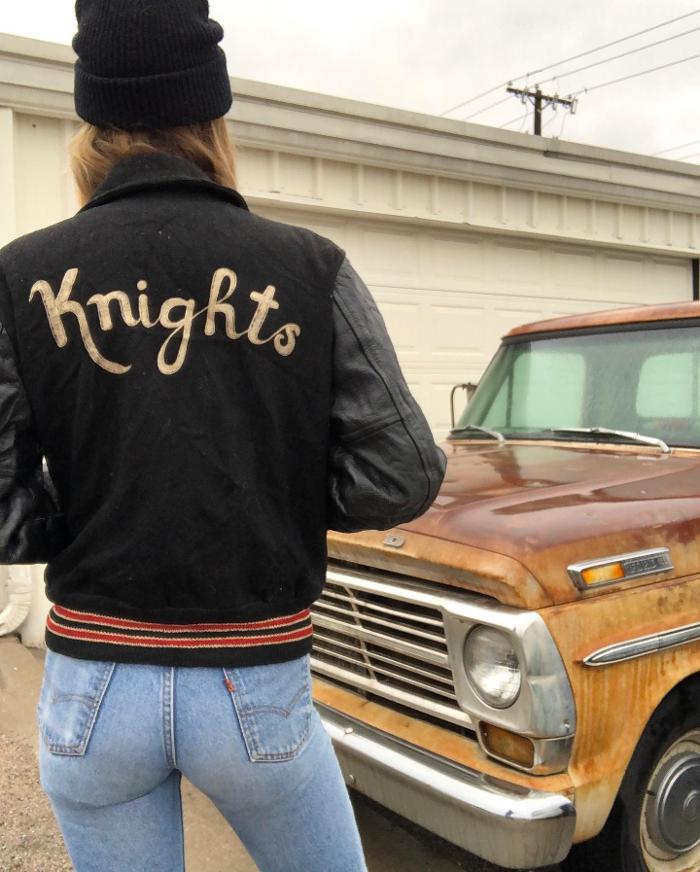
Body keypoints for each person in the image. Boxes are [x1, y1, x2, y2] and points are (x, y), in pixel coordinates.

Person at [0, 2, 447, 870]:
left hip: (93, 690)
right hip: (252, 682)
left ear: (91, 131)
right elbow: (403, 471)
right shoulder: (311, 266)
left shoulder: (21, 276)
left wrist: (88, 514)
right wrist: (268, 494)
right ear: (212, 118)